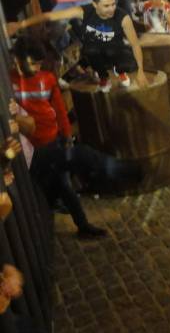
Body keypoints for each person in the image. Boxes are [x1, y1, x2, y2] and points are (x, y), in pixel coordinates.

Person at [9, 36, 107, 239]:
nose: (36, 68)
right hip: (31, 148)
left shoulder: (48, 78)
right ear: (18, 60)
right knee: (54, 186)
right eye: (32, 63)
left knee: (63, 184)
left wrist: (67, 135)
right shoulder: (9, 82)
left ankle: (82, 224)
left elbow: (59, 109)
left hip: (52, 140)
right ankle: (77, 225)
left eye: (38, 63)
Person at [9, 0, 148, 92]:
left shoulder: (122, 17)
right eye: (106, 6)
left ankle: (120, 71)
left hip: (116, 48)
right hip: (94, 48)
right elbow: (49, 16)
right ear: (94, 5)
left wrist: (141, 71)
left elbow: (135, 44)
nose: (111, 9)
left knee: (119, 54)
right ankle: (103, 77)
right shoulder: (83, 11)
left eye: (113, 4)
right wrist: (21, 24)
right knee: (90, 50)